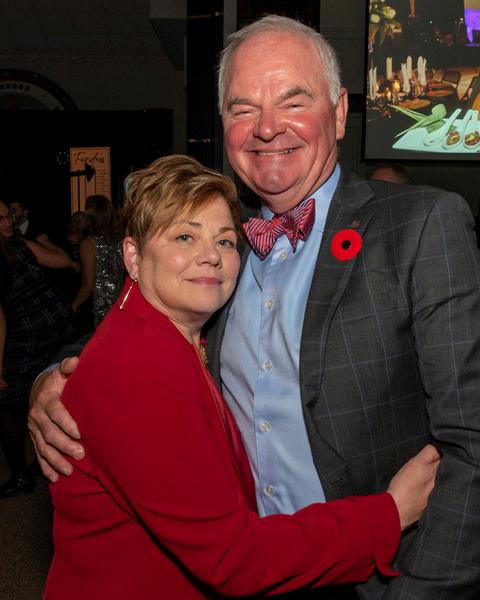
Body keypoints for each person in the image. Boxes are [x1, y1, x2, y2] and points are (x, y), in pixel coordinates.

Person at [29, 15, 480, 599]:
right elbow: (131, 331)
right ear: (224, 124)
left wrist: (423, 592)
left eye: (293, 101)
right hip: (242, 565)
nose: (267, 128)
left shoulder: (419, 226)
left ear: (340, 112)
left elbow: (470, 440)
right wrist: (52, 379)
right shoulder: (221, 241)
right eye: (244, 108)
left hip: (376, 578)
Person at [43, 154, 439, 599]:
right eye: (185, 236)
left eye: (226, 241)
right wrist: (388, 514)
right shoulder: (140, 366)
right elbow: (234, 558)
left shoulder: (169, 336)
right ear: (133, 256)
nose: (211, 256)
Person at [0, 202, 75, 497]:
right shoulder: (22, 245)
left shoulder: (18, 245)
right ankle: (39, 462)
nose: (8, 222)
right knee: (43, 387)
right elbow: (63, 260)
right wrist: (44, 243)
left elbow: (0, 319)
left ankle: (21, 475)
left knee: (6, 402)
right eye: (0, 218)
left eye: (8, 216)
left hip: (29, 333)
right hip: (56, 324)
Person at [71, 194, 124, 327]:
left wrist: (74, 305)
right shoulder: (119, 240)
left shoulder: (89, 243)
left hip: (100, 306)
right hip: (121, 302)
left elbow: (88, 284)